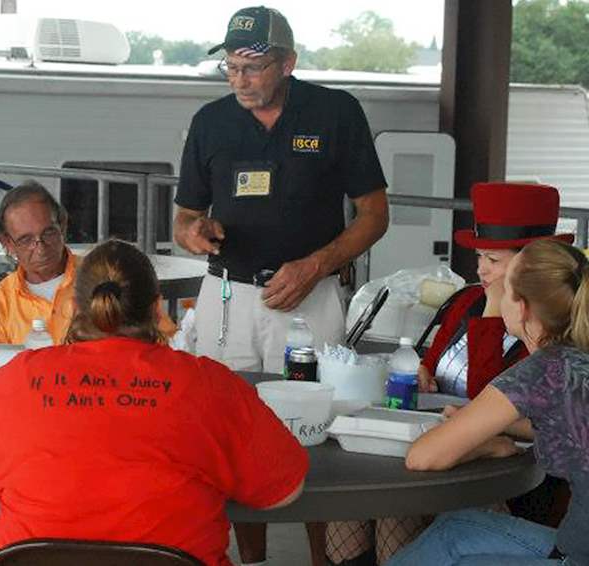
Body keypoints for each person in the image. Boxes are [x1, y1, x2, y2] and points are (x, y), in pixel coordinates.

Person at [172, 7, 389, 565]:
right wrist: (195, 232)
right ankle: (253, 560)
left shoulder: (335, 112)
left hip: (310, 295)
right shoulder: (210, 121)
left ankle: (326, 559)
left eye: (253, 66)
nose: (239, 80)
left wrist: (317, 264)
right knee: (229, 426)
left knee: (320, 428)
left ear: (288, 63)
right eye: (230, 67)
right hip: (229, 295)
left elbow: (374, 214)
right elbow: (183, 218)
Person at [0, 239, 309, 566]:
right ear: (156, 309)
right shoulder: (210, 384)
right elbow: (283, 490)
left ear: (75, 306)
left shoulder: (17, 378)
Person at [387, 238, 589, 566]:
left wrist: (486, 445)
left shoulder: (542, 371)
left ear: (521, 306)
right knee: (454, 528)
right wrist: (490, 428)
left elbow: (422, 457)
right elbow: (582, 426)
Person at [326, 183, 577, 565]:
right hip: (445, 437)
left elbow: (487, 395)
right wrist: (424, 369)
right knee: (354, 501)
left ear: (530, 263)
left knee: (399, 501)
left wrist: (494, 313)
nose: (480, 270)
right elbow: (431, 355)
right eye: (478, 258)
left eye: (492, 260)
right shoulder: (465, 300)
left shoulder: (549, 326)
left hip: (511, 476)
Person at [0, 181, 177, 354]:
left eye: (48, 233)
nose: (40, 248)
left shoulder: (105, 273)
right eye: (26, 240)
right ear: (7, 243)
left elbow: (166, 342)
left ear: (63, 225)